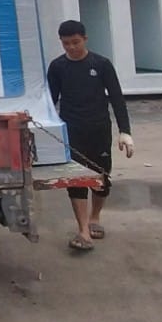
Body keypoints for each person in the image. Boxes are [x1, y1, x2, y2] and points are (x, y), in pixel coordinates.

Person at [46, 19, 134, 252]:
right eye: (66, 43)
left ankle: (95, 217)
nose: (71, 47)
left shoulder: (101, 64)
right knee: (75, 180)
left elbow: (117, 98)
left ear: (85, 39)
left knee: (100, 178)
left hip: (99, 129)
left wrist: (125, 131)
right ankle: (83, 230)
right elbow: (50, 101)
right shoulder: (57, 67)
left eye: (75, 42)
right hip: (72, 130)